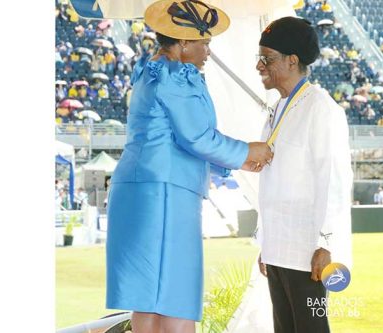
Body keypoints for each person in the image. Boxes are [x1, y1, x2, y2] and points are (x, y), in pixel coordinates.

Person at [105, 1, 273, 333]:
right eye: (204, 42)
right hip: (164, 194)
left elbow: (168, 138)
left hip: (142, 189)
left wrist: (231, 162)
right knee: (177, 295)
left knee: (150, 300)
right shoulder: (175, 76)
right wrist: (248, 150)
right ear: (183, 42)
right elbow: (196, 137)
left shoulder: (149, 70)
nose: (208, 51)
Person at [255, 17, 353, 333]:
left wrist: (327, 244)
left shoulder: (322, 109)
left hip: (308, 251)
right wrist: (266, 243)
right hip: (278, 248)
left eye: (267, 59)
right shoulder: (277, 108)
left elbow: (335, 179)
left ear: (292, 60)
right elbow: (273, 181)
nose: (259, 66)